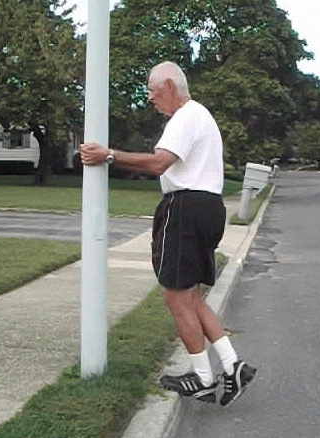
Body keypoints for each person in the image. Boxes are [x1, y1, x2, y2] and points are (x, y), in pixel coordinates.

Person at [80, 61, 256, 406]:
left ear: (170, 87)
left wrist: (109, 155)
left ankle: (203, 378)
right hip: (208, 206)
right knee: (191, 296)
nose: (150, 97)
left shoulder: (186, 117)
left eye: (152, 89)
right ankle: (232, 366)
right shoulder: (201, 115)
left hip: (186, 208)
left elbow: (159, 163)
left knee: (175, 297)